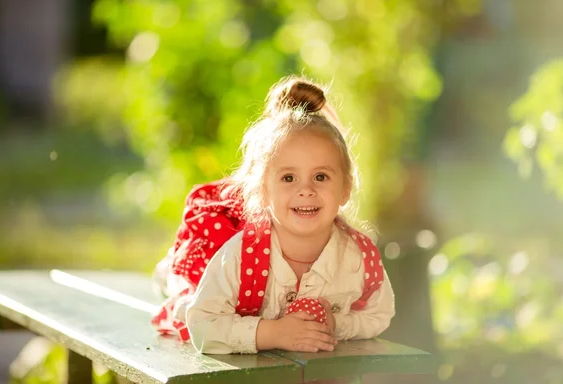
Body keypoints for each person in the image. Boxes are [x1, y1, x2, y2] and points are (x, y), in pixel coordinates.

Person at [153, 75, 395, 355]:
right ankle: (164, 272)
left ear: (346, 188)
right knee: (177, 287)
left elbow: (379, 314)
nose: (306, 190)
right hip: (206, 271)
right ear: (263, 190)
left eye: (320, 176)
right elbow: (203, 324)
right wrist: (272, 333)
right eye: (289, 178)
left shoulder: (358, 258)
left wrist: (337, 324)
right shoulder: (239, 254)